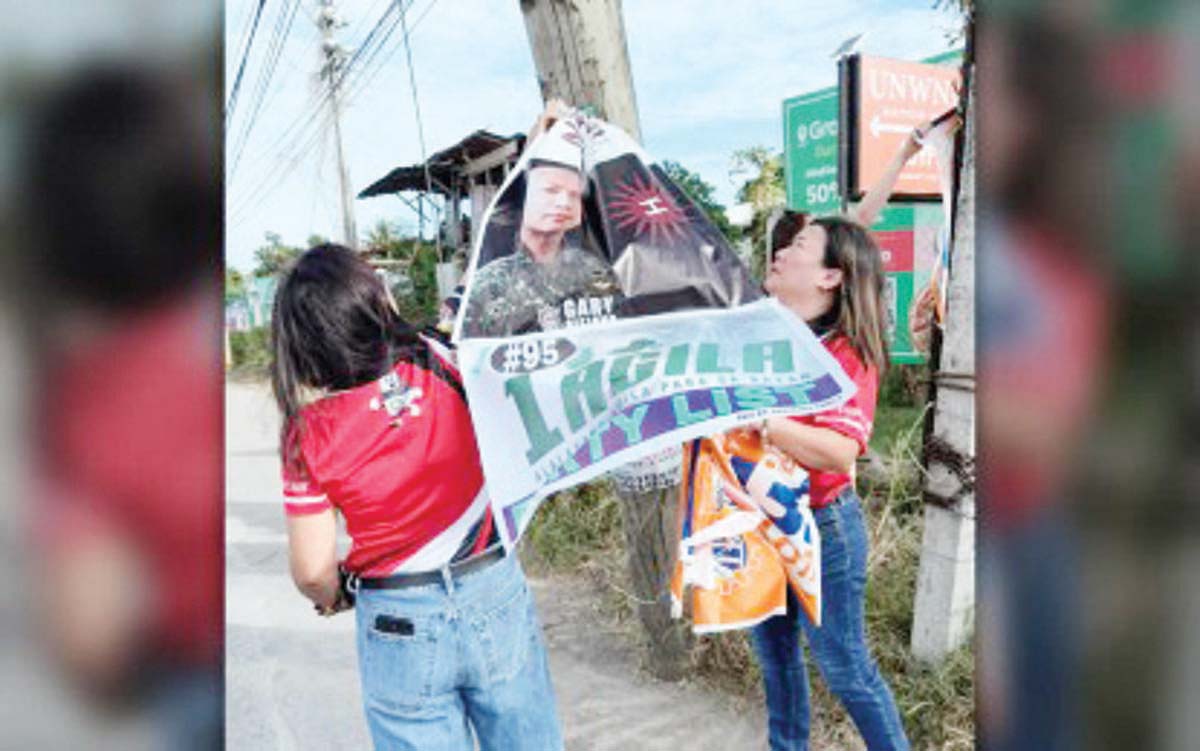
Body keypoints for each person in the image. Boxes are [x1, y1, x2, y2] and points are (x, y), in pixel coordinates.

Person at [269, 245, 562, 750]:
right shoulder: (445, 358)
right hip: (492, 587)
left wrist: (334, 597)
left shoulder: (305, 435)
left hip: (395, 618)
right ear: (374, 303)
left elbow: (312, 571)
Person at [739, 121, 946, 751]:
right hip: (760, 521)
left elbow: (839, 451)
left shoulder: (846, 351)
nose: (778, 252)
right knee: (775, 664)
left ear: (830, 278)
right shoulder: (760, 326)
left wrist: (763, 422)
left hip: (823, 528)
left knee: (846, 669)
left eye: (797, 246)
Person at [459, 105, 623, 337]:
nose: (563, 202)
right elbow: (456, 343)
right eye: (550, 190)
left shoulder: (597, 274)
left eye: (574, 194)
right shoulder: (489, 280)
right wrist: (536, 145)